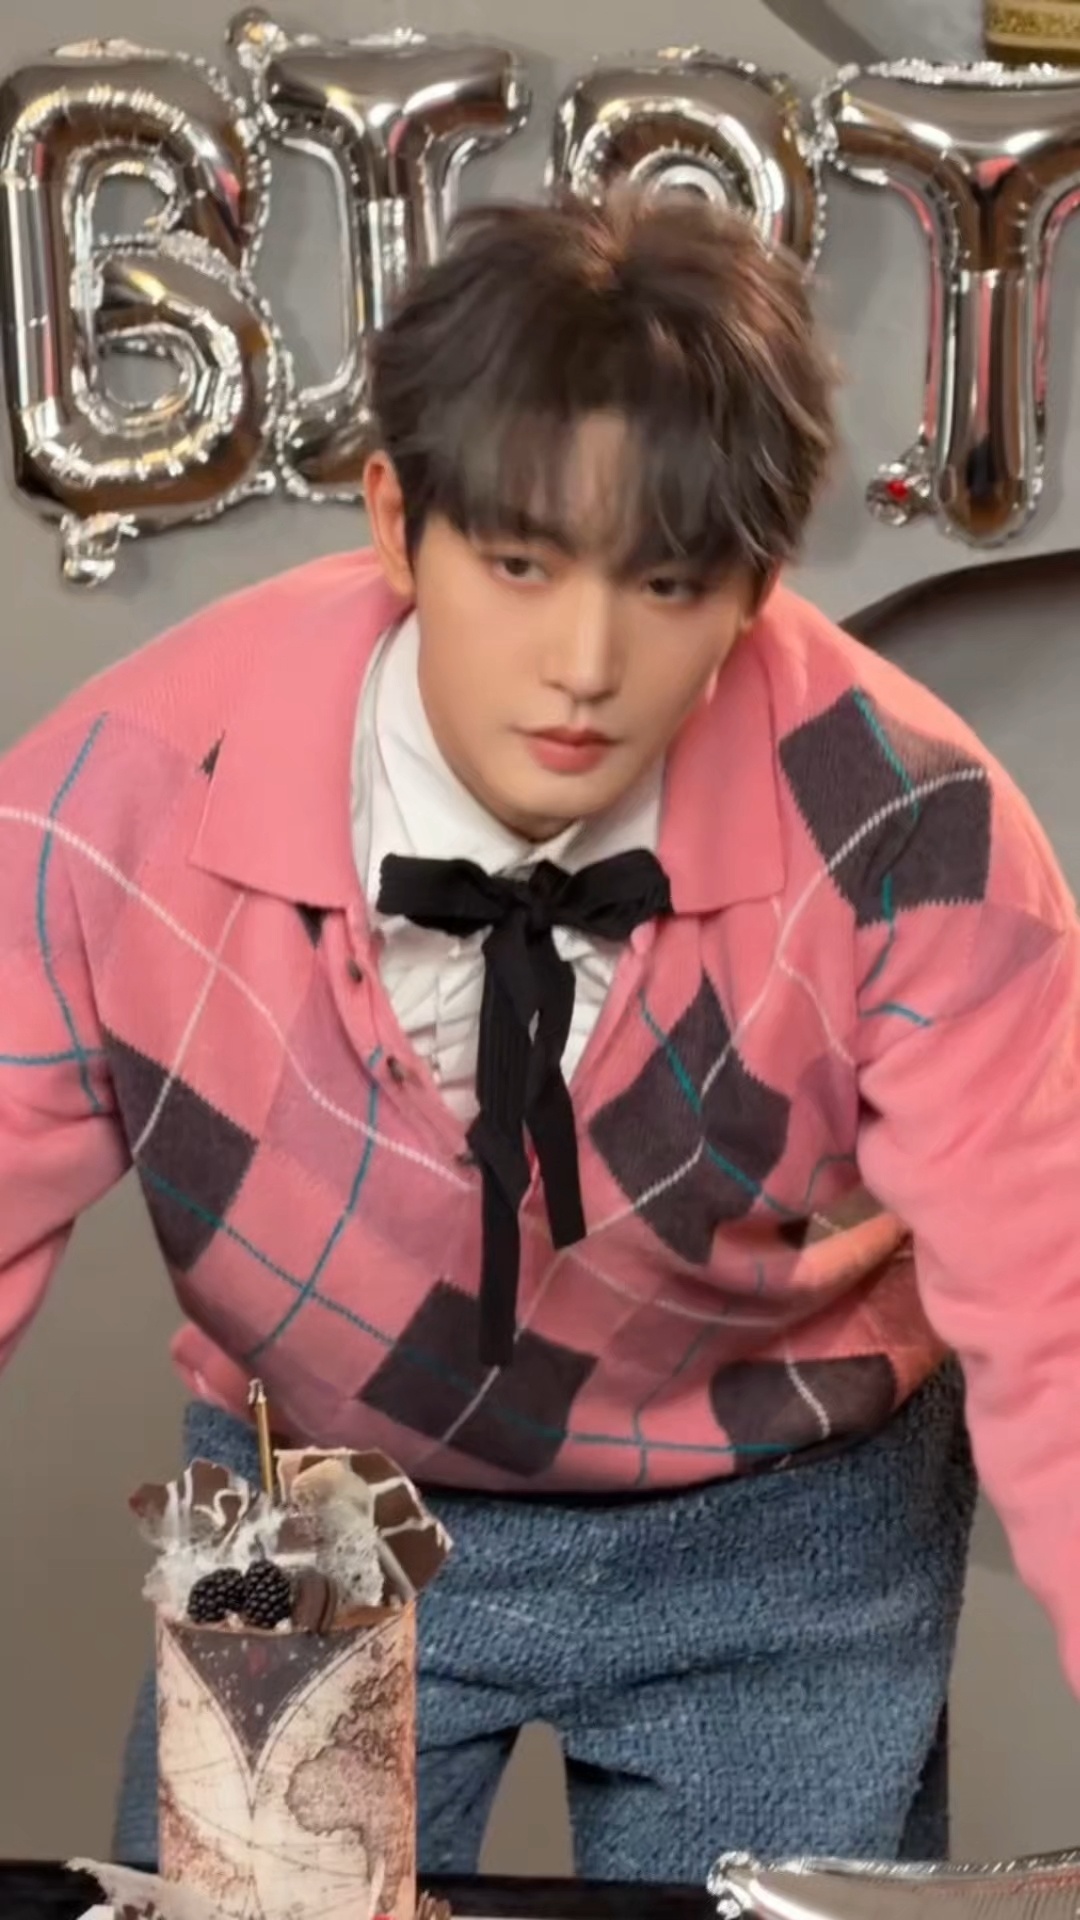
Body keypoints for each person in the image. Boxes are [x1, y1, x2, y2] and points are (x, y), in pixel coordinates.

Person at [0, 186, 1077, 1884]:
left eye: (667, 581)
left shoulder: (914, 830)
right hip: (309, 1489)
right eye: (518, 564)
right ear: (396, 521)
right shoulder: (112, 803)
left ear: (754, 586)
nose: (583, 663)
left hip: (790, 1513)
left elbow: (1062, 1317)